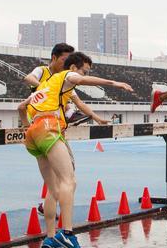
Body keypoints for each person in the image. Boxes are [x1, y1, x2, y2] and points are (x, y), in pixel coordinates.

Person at [17, 52, 133, 248]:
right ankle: (68, 233)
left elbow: (21, 107)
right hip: (49, 128)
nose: (83, 75)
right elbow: (80, 79)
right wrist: (115, 83)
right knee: (68, 181)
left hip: (33, 135)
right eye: (83, 71)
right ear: (72, 68)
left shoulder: (44, 87)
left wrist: (26, 127)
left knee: (54, 190)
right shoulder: (65, 76)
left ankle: (50, 238)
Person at [24, 43, 109, 127]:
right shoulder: (41, 70)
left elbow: (79, 103)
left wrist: (97, 119)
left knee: (62, 100)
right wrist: (47, 88)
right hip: (36, 114)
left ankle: (69, 115)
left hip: (53, 119)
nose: (66, 63)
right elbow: (28, 78)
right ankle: (69, 115)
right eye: (64, 60)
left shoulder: (64, 78)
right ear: (54, 57)